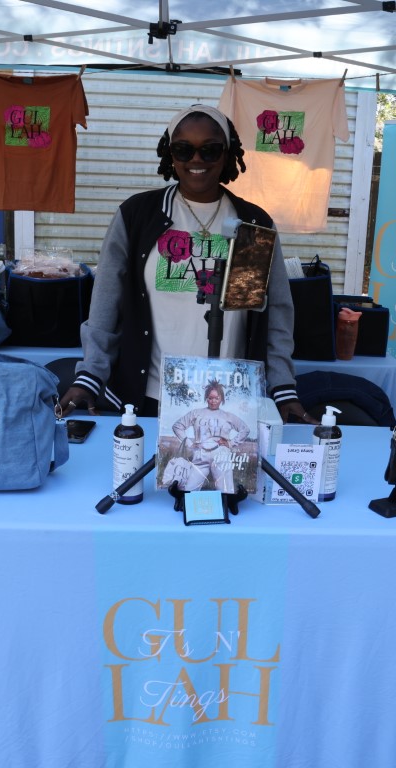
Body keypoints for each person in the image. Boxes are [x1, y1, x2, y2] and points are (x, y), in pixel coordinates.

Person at [58, 104, 314, 424]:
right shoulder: (140, 216)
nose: (196, 159)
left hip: (231, 400)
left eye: (210, 150)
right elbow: (105, 304)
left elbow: (274, 313)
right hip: (150, 397)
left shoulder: (250, 223)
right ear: (169, 154)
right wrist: (90, 375)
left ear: (227, 154)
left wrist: (283, 387)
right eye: (183, 149)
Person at [169, 381, 251, 493]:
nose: (213, 401)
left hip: (221, 455)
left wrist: (230, 443)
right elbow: (177, 426)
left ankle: (227, 505)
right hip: (200, 455)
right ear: (206, 398)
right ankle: (187, 505)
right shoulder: (196, 413)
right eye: (210, 398)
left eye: (216, 398)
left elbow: (245, 429)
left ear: (221, 398)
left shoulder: (228, 416)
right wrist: (189, 443)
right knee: (189, 490)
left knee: (226, 491)